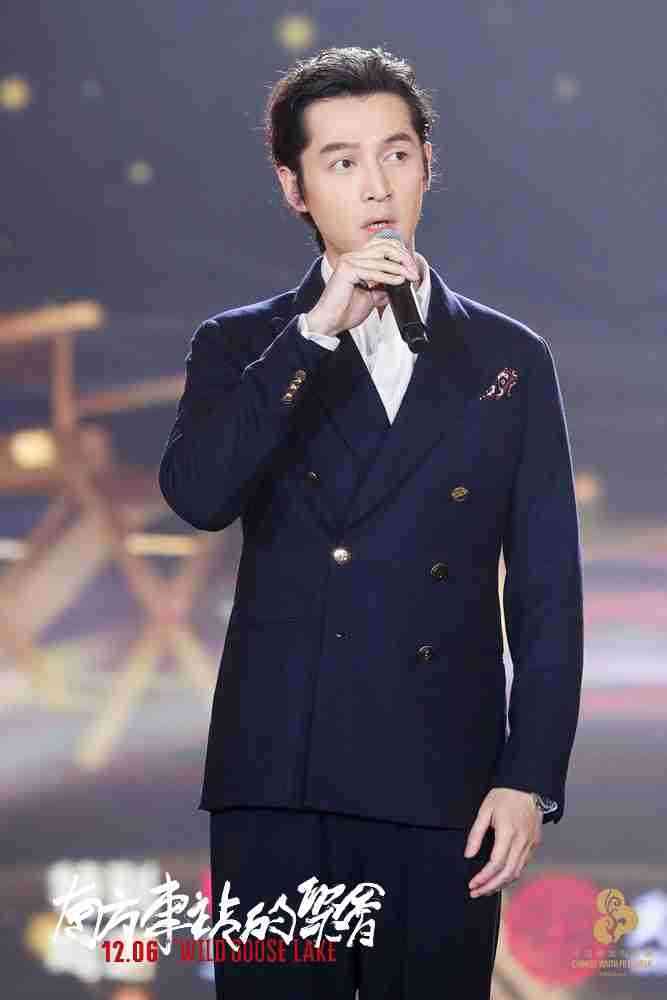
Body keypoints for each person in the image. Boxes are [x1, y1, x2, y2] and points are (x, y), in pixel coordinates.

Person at [158, 45, 584, 999]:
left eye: (395, 154)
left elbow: (547, 589)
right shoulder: (242, 344)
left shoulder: (508, 358)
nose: (376, 186)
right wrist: (314, 331)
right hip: (281, 777)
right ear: (295, 187)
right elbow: (198, 496)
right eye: (341, 161)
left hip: (442, 782)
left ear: (428, 164)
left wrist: (529, 776)